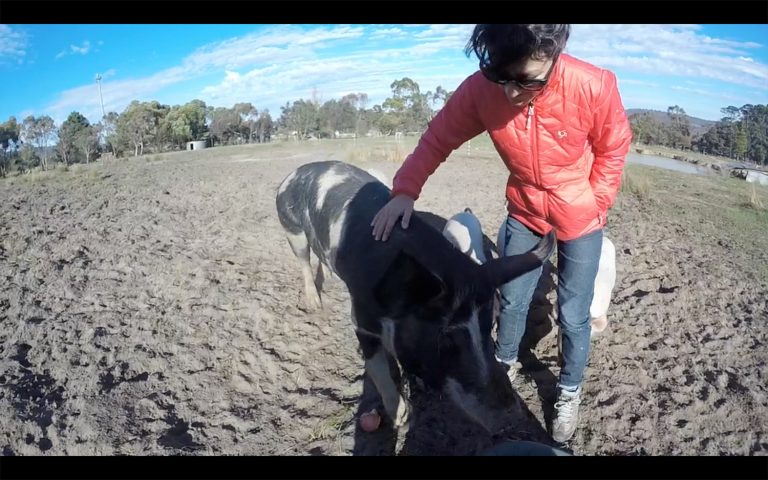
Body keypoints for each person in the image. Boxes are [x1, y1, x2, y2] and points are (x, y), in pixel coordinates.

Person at [370, 24, 632, 443]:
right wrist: (404, 191)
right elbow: (438, 138)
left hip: (581, 218)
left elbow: (613, 147)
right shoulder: (478, 91)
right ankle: (502, 367)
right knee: (510, 301)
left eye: (527, 81)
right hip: (524, 212)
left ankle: (568, 391)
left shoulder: (594, 85)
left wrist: (595, 203)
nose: (511, 93)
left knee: (573, 313)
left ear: (555, 52)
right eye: (500, 76)